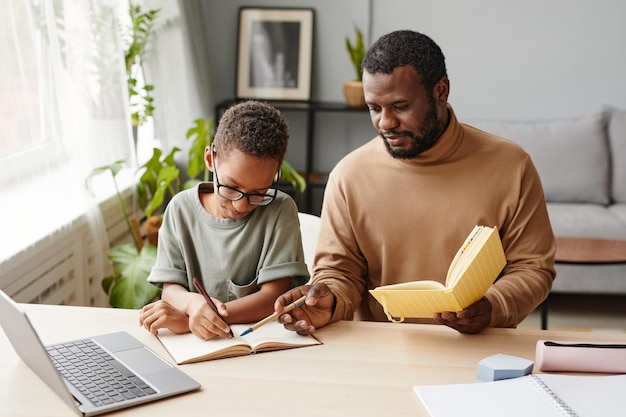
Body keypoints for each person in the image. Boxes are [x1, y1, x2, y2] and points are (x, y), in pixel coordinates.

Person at [276, 30, 556, 335]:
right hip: (382, 349)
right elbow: (339, 272)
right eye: (374, 108)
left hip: (481, 346)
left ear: (441, 91)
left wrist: (494, 304)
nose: (385, 123)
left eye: (400, 106)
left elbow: (532, 266)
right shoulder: (348, 176)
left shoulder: (511, 166)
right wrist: (326, 302)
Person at [139, 100, 309, 340]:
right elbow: (171, 289)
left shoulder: (280, 210)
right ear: (211, 159)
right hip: (193, 346)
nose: (241, 205)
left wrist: (193, 320)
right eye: (231, 187)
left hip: (258, 343)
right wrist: (191, 306)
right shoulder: (179, 209)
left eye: (259, 192)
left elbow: (273, 297)